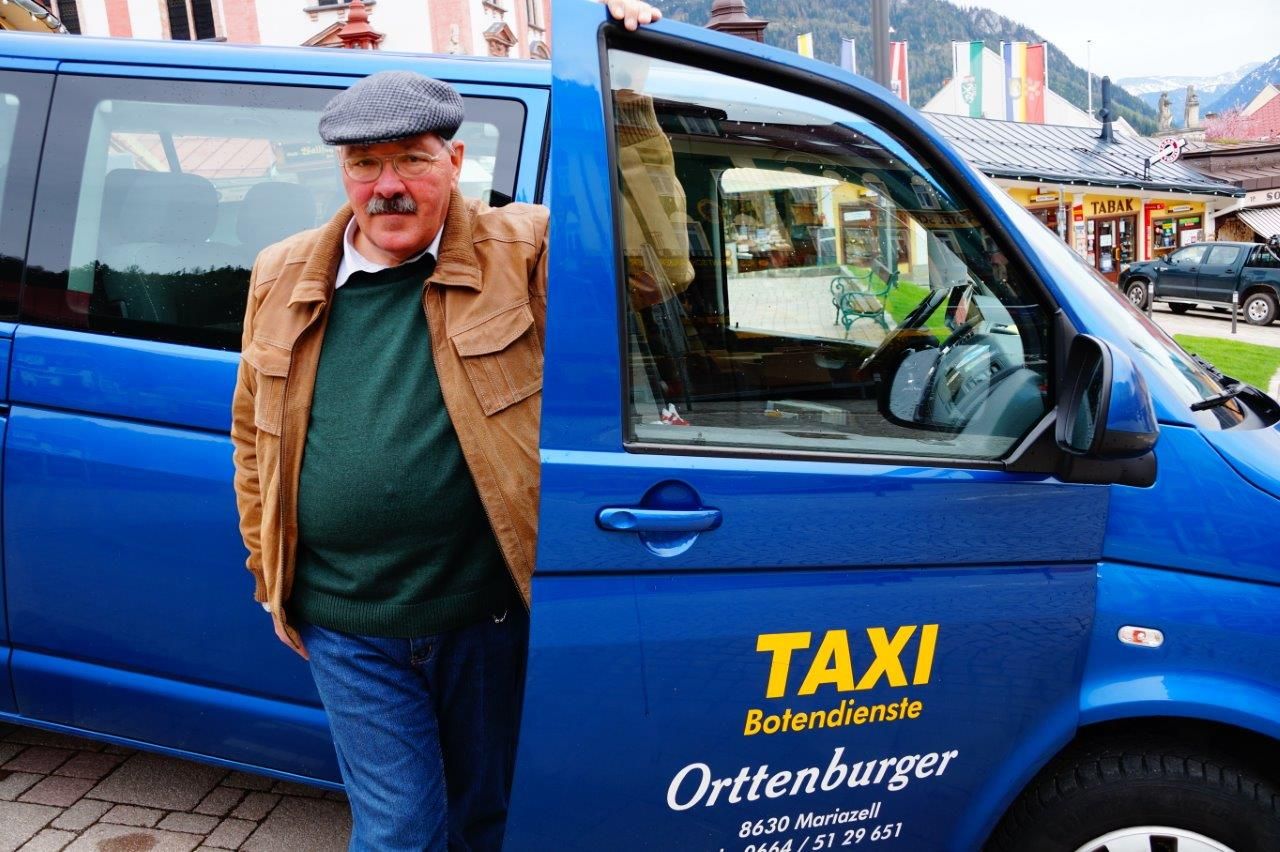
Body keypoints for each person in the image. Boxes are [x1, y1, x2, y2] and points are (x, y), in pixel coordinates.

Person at [230, 3, 663, 850]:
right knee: (401, 829)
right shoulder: (280, 272)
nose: (388, 184)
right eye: (365, 165)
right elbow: (253, 436)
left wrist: (635, 99)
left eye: (412, 161)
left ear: (456, 161)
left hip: (484, 613)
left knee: (481, 815)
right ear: (343, 174)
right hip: (346, 618)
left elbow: (652, 272)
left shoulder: (524, 249)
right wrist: (267, 568)